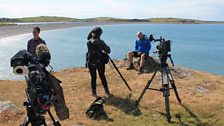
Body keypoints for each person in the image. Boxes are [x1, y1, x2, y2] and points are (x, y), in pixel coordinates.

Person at [27, 27, 69, 120]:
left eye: (35, 32)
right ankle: (36, 106)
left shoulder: (42, 41)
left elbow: (46, 54)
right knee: (34, 88)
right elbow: (28, 54)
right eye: (33, 32)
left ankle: (62, 109)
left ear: (38, 32)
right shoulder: (29, 42)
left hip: (42, 68)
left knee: (54, 86)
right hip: (33, 68)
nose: (34, 33)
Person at [86, 27, 111, 97]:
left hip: (90, 61)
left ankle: (94, 93)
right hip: (99, 62)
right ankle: (107, 91)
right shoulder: (101, 42)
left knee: (93, 77)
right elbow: (108, 51)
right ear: (100, 34)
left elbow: (88, 37)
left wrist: (92, 32)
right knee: (102, 76)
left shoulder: (89, 42)